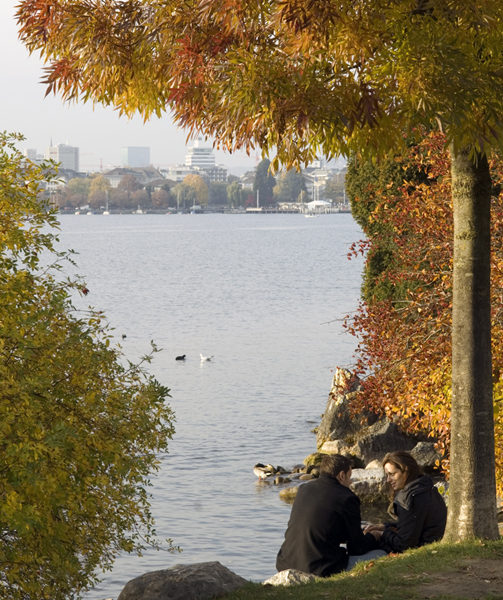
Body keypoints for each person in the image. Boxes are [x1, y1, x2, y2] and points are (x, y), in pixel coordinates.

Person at [276, 454, 386, 576]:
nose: (350, 482)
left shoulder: (303, 489)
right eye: (350, 477)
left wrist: (358, 532)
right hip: (320, 568)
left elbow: (322, 529)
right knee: (381, 554)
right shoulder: (347, 498)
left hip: (285, 563)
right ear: (342, 475)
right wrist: (374, 535)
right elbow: (357, 548)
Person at [363, 451, 447, 553]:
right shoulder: (426, 487)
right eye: (387, 475)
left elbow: (403, 545)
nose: (388, 480)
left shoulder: (408, 499)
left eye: (392, 474)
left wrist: (381, 534)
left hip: (423, 549)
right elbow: (412, 524)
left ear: (406, 471)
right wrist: (385, 527)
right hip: (432, 543)